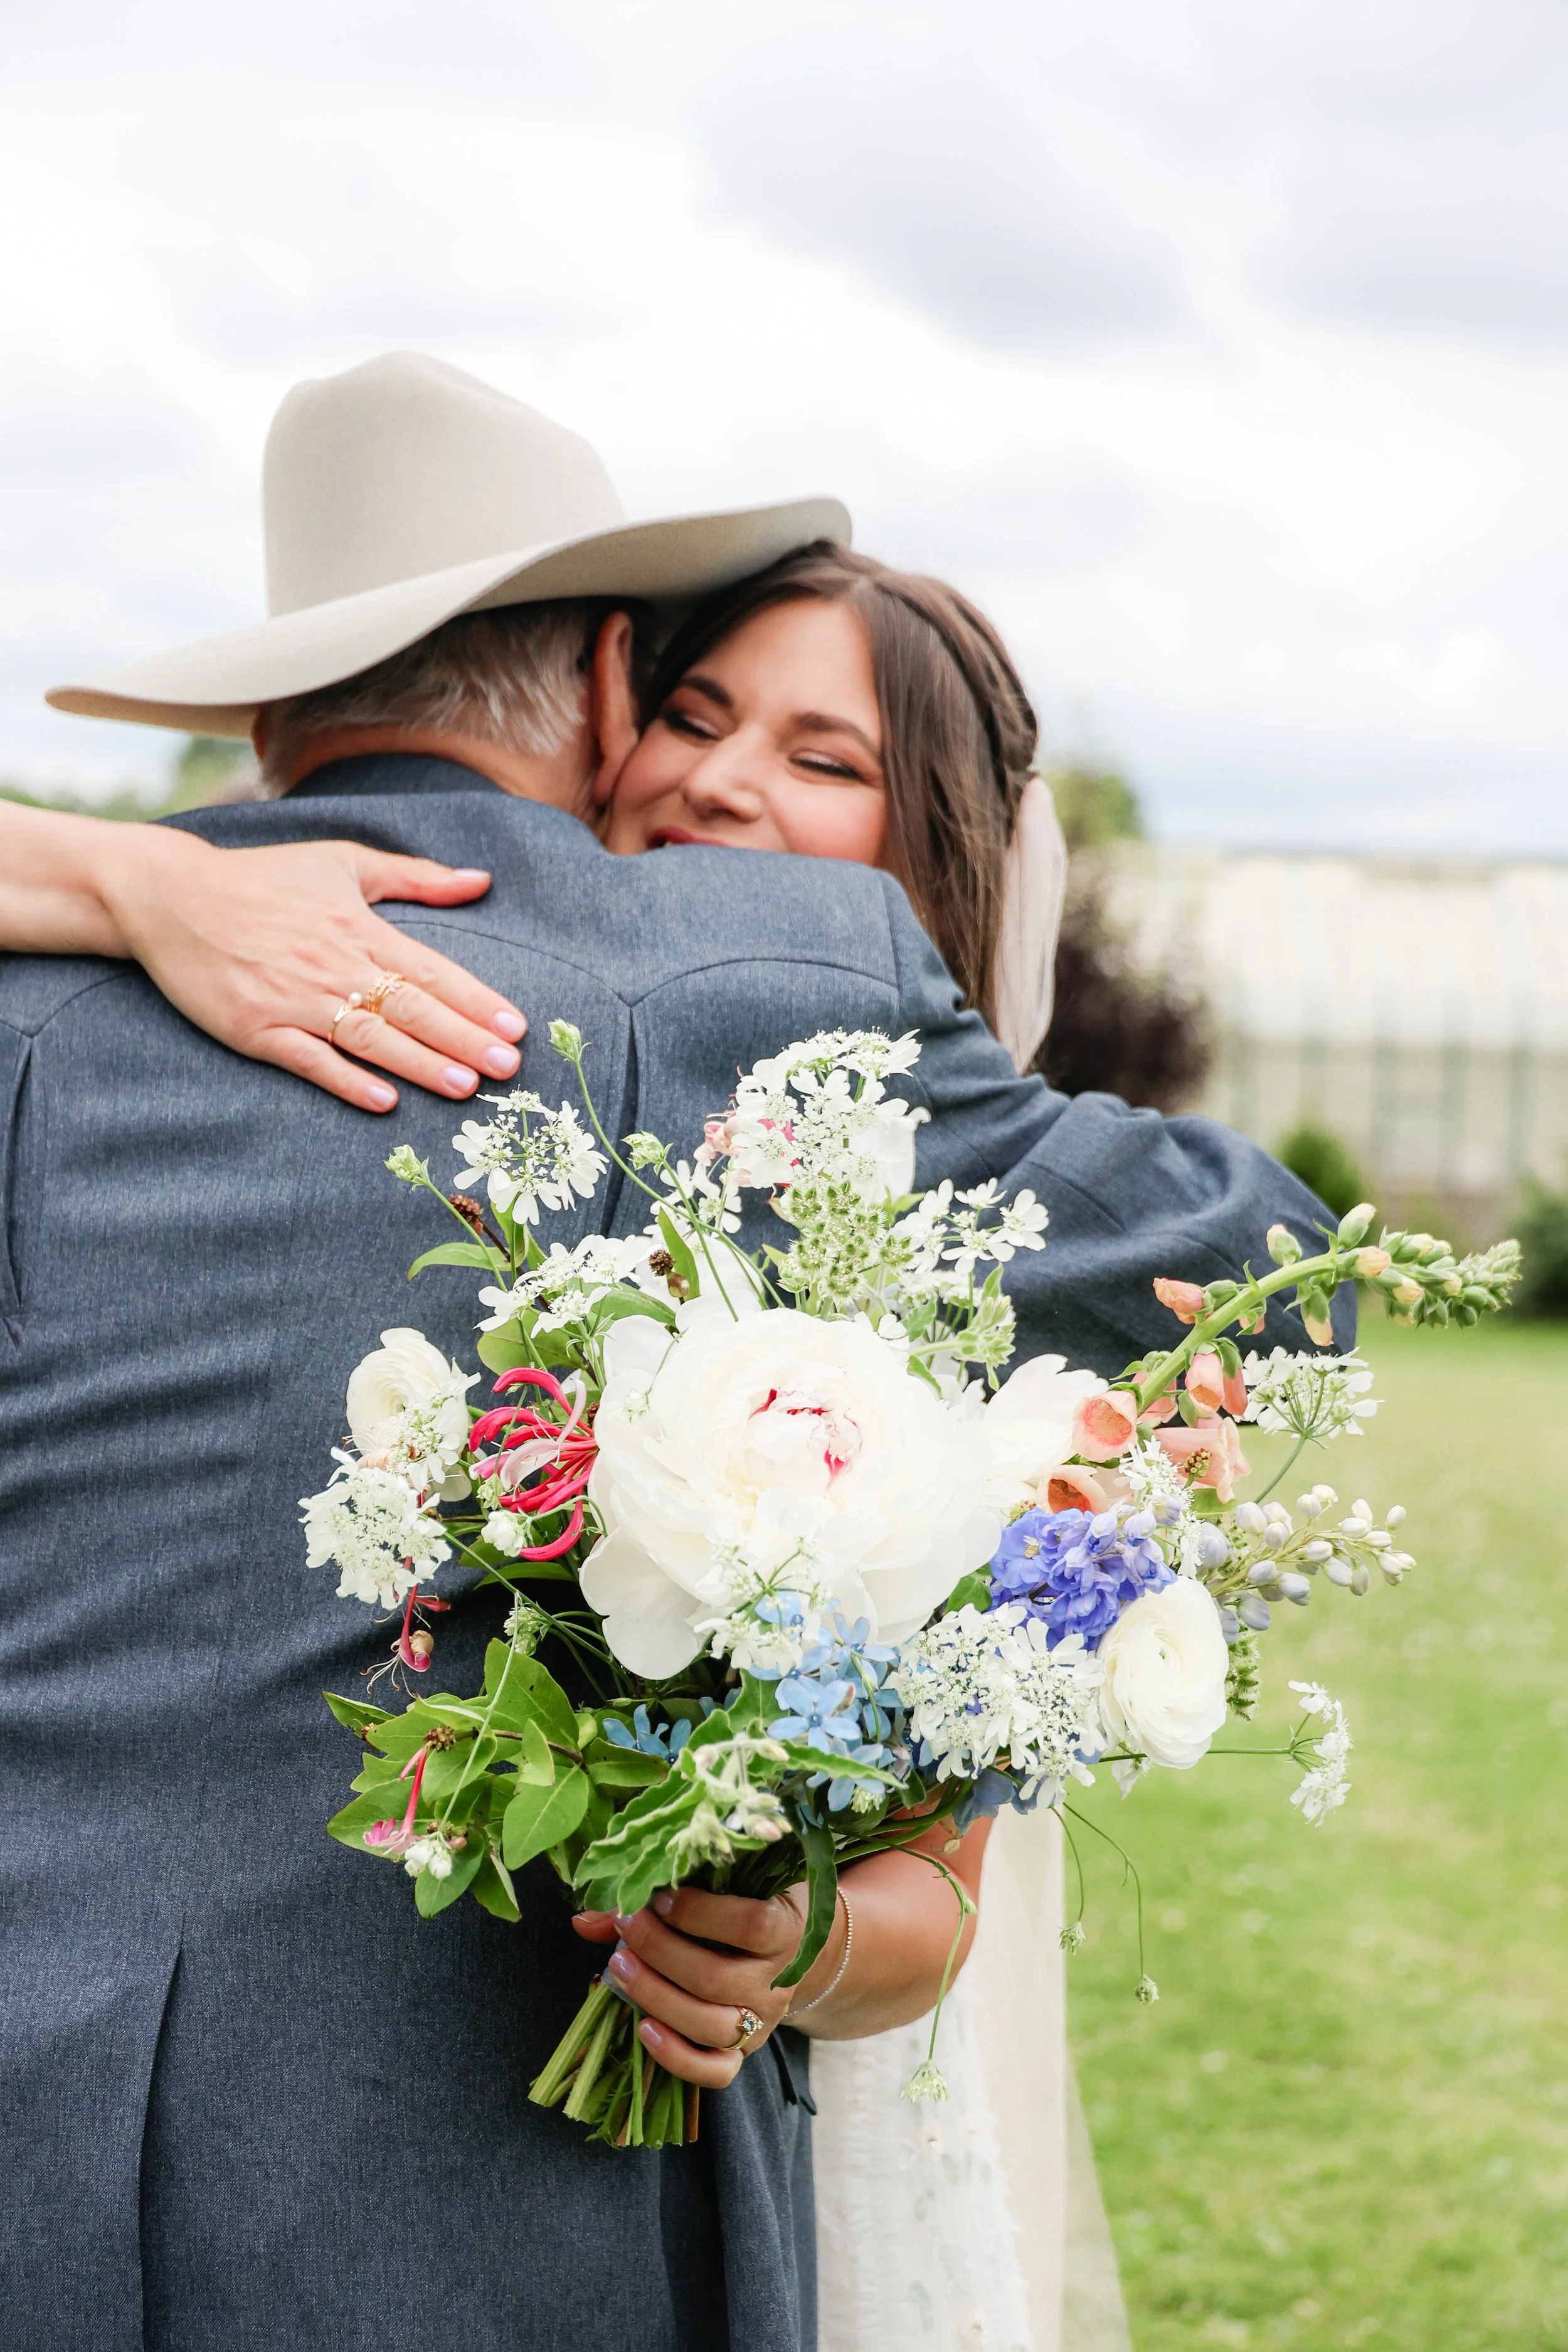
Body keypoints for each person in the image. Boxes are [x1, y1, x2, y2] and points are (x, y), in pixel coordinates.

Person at [0, 354, 1345, 2352]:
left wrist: (105, 870)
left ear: (269, 715)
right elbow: (1275, 1270)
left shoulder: (45, 984)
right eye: (704, 716)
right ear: (615, 682)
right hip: (472, 2197)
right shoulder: (766, 970)